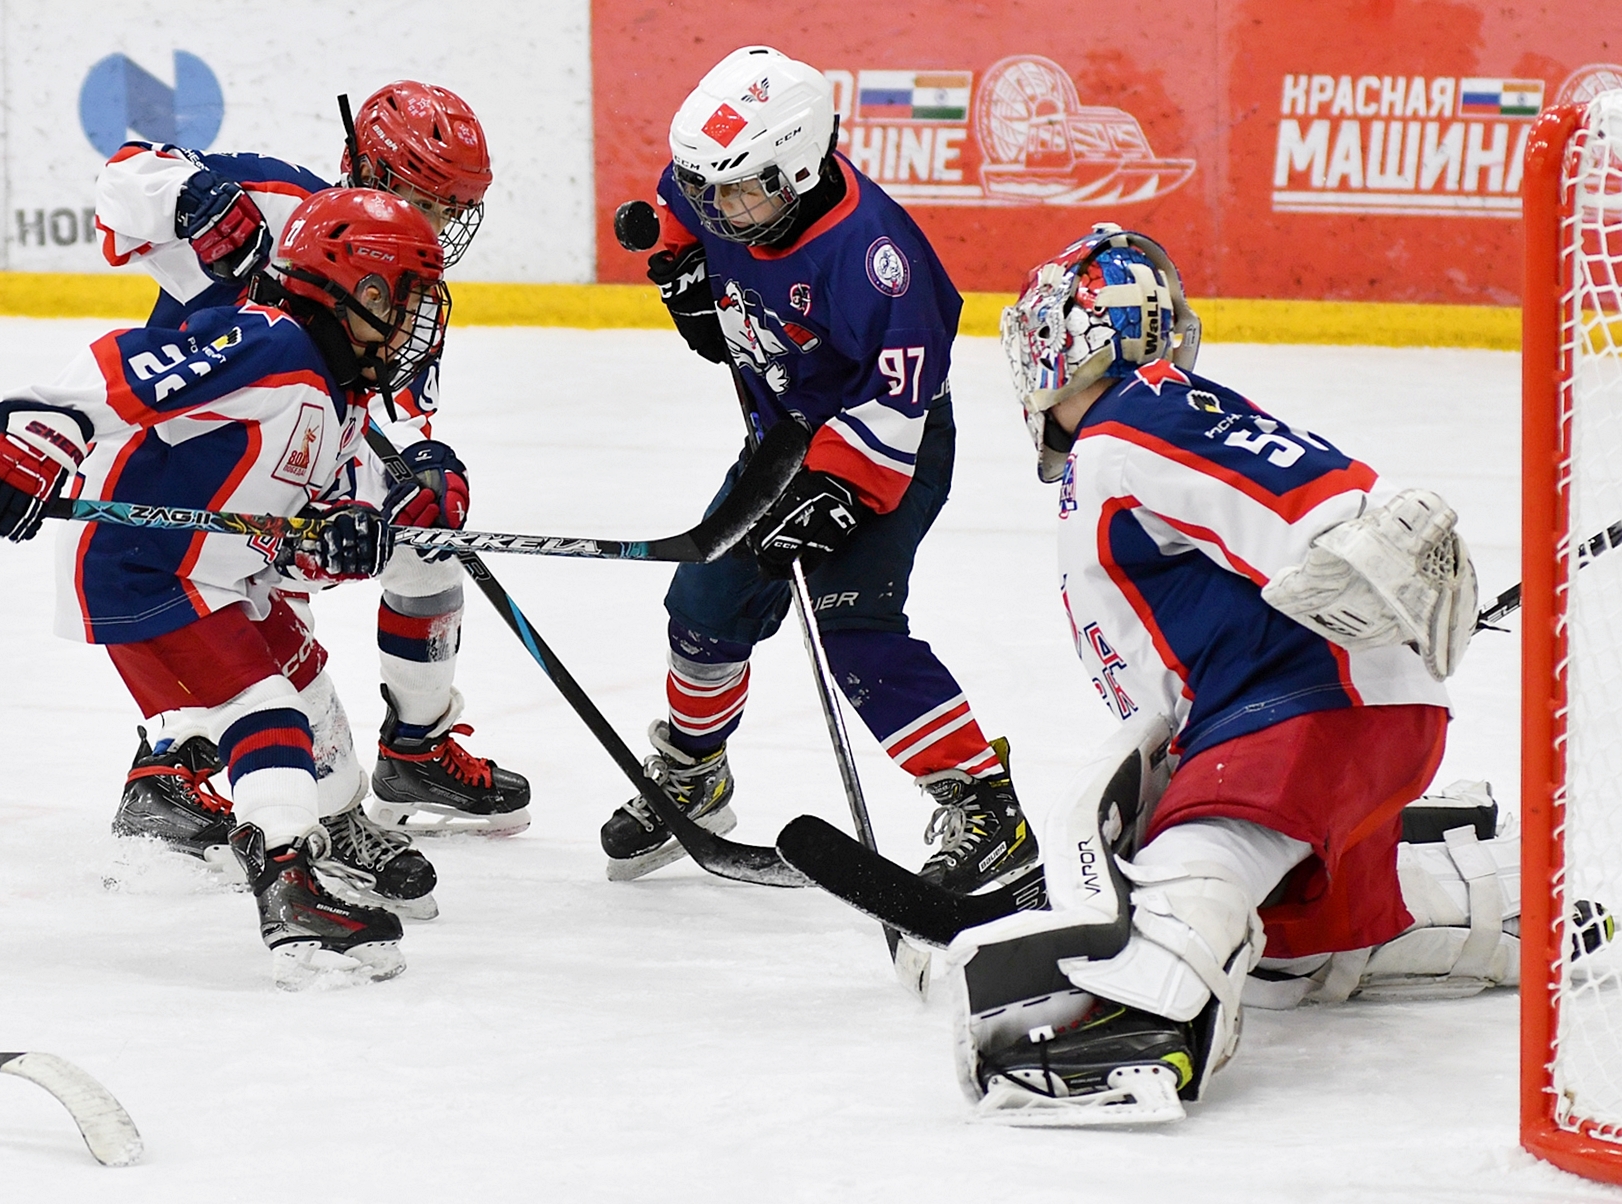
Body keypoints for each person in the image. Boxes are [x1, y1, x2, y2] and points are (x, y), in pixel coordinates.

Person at [944, 223, 1514, 1124]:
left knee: (1199, 863)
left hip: (1307, 705)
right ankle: (1503, 900)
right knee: (1289, 951)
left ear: (1082, 332)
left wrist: (1355, 534)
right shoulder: (1119, 440)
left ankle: (1148, 1013)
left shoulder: (1135, 417)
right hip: (1323, 710)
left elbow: (1291, 482)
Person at [0, 188, 456, 988]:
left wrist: (347, 531)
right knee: (261, 709)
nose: (413, 327)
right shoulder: (270, 346)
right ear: (358, 291)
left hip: (220, 573)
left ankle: (322, 841)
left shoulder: (342, 398)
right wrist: (41, 441)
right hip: (140, 564)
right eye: (403, 303)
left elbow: (296, 538)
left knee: (304, 684)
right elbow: (117, 364)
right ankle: (291, 892)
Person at [603, 45, 1038, 890]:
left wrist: (838, 490)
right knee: (704, 604)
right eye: (710, 189)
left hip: (883, 443)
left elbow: (901, 405)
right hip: (783, 436)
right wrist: (676, 259)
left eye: (740, 191)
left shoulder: (881, 264)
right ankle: (696, 775)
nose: (721, 208)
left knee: (855, 632)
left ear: (799, 168)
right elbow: (681, 206)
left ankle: (985, 804)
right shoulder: (727, 177)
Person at [93, 80, 530, 851]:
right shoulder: (275, 199)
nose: (447, 224)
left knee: (424, 552)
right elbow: (127, 177)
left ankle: (416, 751)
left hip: (300, 462)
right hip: (194, 464)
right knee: (239, 619)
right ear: (376, 173)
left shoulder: (403, 273)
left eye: (457, 209)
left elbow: (405, 415)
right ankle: (170, 768)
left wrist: (431, 469)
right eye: (434, 201)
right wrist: (196, 198)